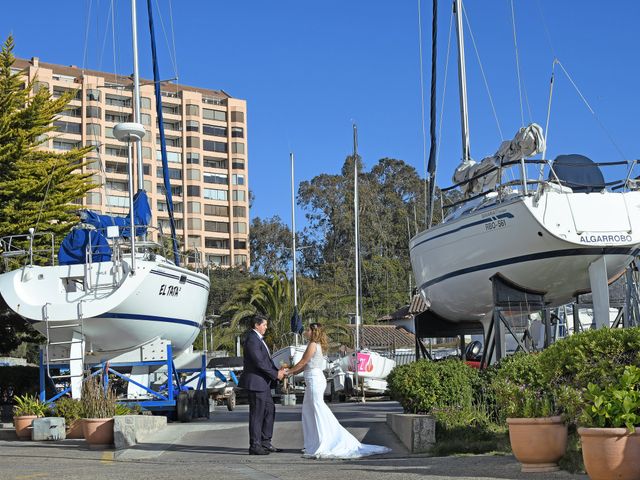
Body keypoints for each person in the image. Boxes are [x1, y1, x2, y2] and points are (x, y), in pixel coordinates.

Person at [285, 323, 391, 459]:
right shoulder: (315, 344)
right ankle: (313, 442)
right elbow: (303, 366)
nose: (305, 332)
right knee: (309, 411)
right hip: (313, 378)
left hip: (314, 380)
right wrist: (290, 373)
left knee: (317, 409)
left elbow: (303, 362)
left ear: (313, 332)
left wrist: (287, 372)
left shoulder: (312, 344)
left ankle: (324, 441)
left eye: (308, 330)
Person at [239, 314, 286, 455]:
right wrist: (275, 374)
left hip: (263, 383)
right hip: (256, 383)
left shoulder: (258, 340)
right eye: (264, 324)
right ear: (256, 325)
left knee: (269, 410)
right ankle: (255, 445)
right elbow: (259, 362)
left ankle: (265, 442)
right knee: (257, 414)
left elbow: (266, 361)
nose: (266, 327)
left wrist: (277, 372)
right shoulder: (252, 340)